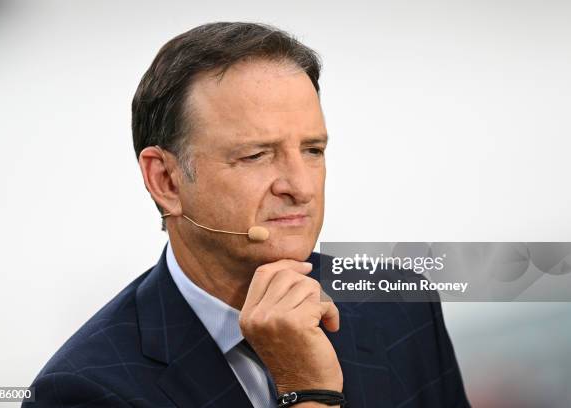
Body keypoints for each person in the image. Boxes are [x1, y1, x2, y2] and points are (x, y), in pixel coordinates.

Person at [23, 22, 470, 408]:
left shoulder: (400, 306)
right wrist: (310, 393)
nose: (299, 186)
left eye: (312, 150)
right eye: (257, 155)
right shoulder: (86, 389)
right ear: (166, 181)